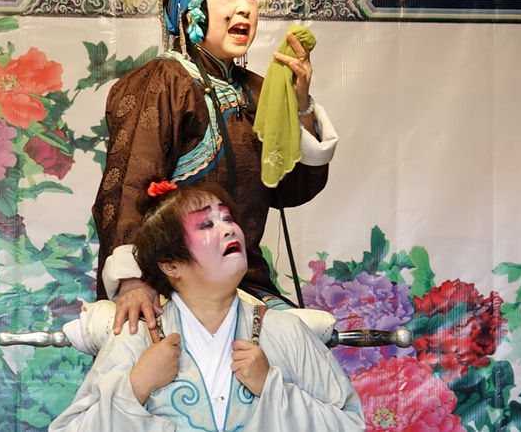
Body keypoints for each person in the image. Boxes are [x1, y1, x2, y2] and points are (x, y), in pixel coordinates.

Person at [93, 0, 339, 336]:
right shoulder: (163, 82)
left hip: (242, 280)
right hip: (169, 276)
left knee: (300, 342)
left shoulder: (259, 91)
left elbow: (290, 189)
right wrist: (132, 280)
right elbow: (127, 183)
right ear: (190, 6)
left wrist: (300, 106)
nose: (245, 8)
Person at [51, 182, 363, 431]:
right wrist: (137, 386)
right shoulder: (137, 337)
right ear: (171, 264)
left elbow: (348, 423)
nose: (228, 229)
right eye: (206, 224)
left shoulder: (286, 331)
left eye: (227, 219)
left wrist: (272, 387)